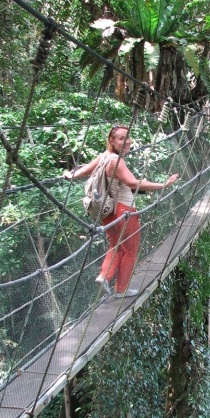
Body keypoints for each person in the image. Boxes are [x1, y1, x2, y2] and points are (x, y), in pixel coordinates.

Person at [63, 125, 179, 298]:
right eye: (121, 138)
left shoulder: (104, 156)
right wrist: (163, 185)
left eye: (128, 137)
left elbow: (86, 170)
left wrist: (70, 175)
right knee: (130, 250)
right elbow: (133, 183)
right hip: (124, 212)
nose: (127, 142)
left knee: (117, 246)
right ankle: (121, 290)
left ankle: (104, 276)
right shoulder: (117, 161)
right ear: (111, 140)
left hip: (107, 214)